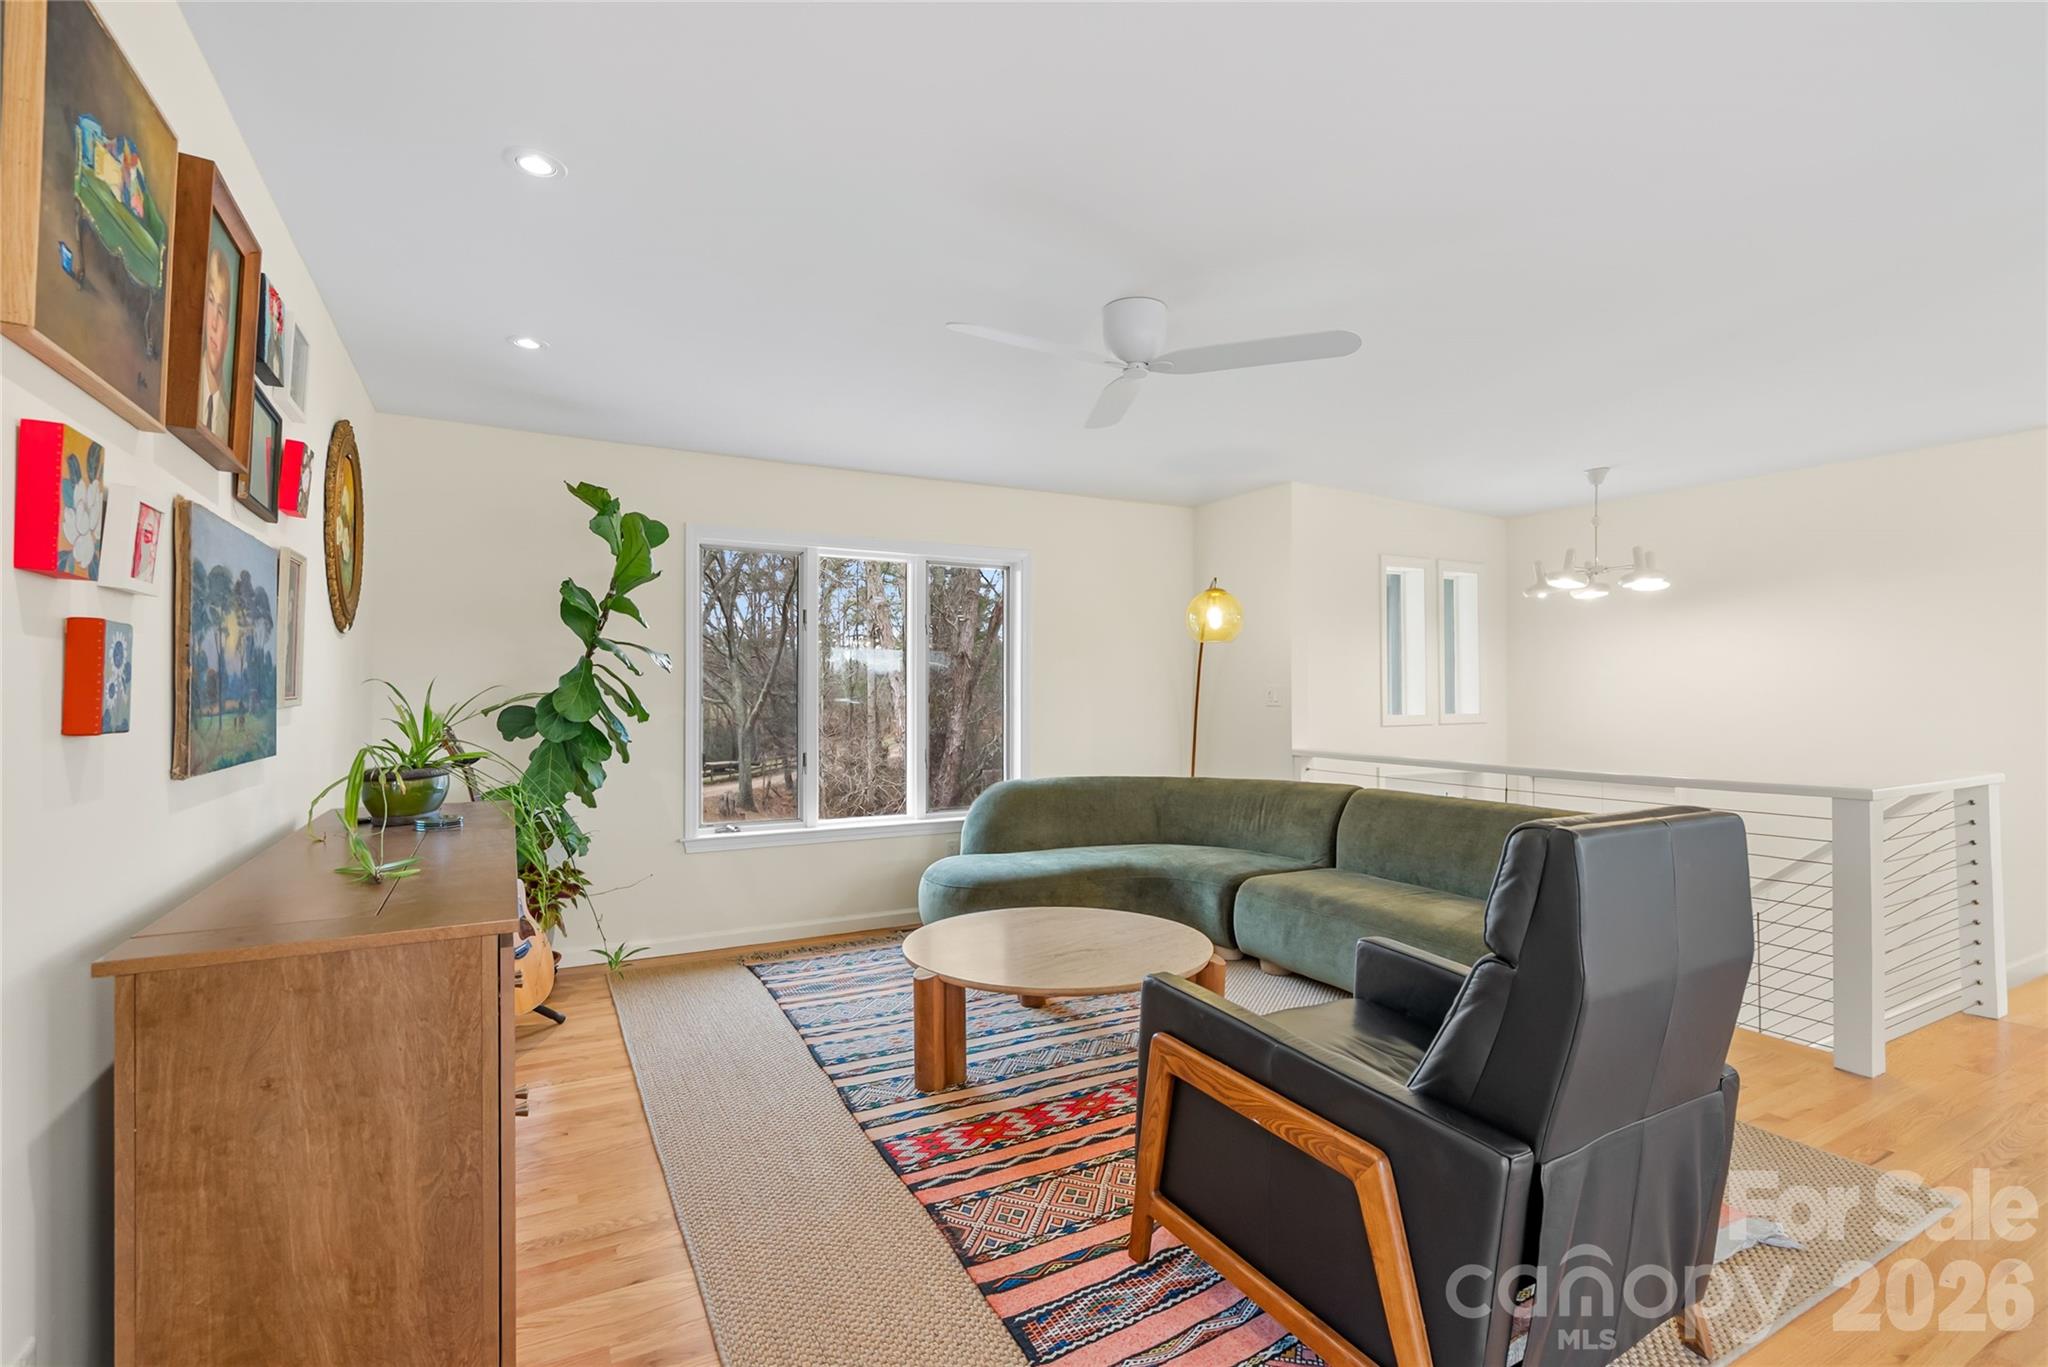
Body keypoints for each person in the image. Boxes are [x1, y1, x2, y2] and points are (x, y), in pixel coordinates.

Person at [200, 247, 233, 441]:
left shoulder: (228, 423)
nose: (214, 323)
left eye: (221, 312)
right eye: (210, 301)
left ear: (228, 332)